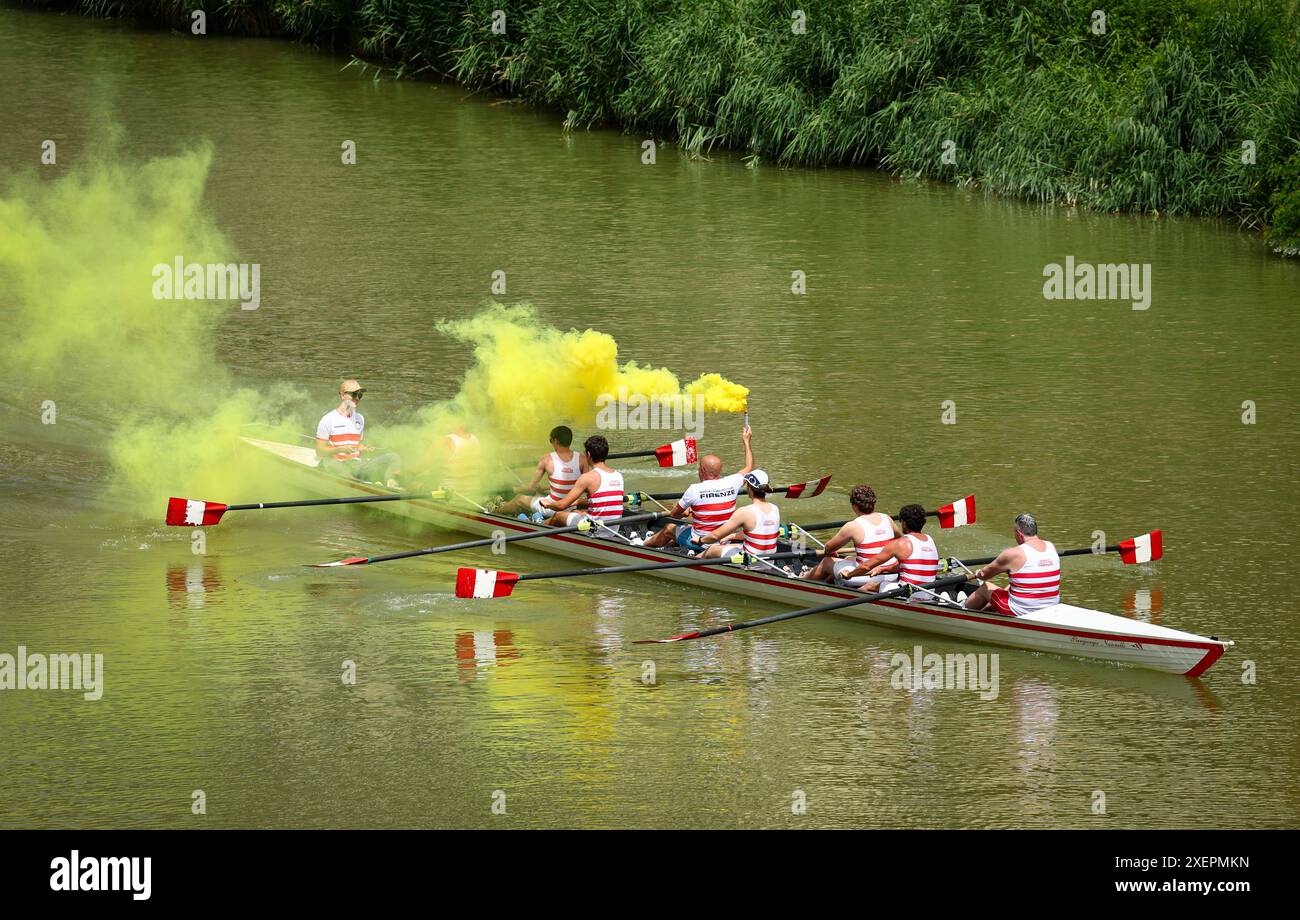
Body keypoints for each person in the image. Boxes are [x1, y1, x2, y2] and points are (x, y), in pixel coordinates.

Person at [644, 425, 754, 548]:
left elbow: (674, 515)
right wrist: (746, 441)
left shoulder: (694, 489)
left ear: (702, 469)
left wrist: (685, 512)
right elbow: (749, 467)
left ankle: (642, 546)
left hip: (701, 542)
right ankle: (668, 548)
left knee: (669, 528)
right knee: (688, 526)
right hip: (723, 540)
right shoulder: (732, 482)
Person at [963, 514, 1061, 616]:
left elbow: (984, 575)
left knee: (985, 587)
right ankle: (986, 612)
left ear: (1018, 533)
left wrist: (979, 573)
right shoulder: (1050, 546)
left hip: (1023, 610)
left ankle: (962, 612)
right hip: (1051, 606)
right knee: (1011, 586)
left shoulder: (1013, 554)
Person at [801, 484, 900, 584]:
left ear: (854, 506)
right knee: (848, 558)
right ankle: (830, 583)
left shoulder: (853, 526)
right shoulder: (887, 518)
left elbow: (828, 548)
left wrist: (830, 551)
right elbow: (899, 541)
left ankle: (800, 581)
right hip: (892, 573)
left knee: (826, 561)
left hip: (868, 576)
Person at [315, 379, 401, 486]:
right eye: (353, 394)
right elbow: (319, 451)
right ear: (342, 395)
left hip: (357, 465)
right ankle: (358, 485)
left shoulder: (360, 419)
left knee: (393, 457)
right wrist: (340, 449)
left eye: (359, 395)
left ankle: (391, 483)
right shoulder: (327, 419)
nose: (357, 398)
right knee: (329, 463)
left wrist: (364, 448)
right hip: (337, 464)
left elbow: (357, 446)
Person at [848, 504, 940, 600]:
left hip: (908, 594)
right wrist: (883, 569)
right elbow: (911, 566)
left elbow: (866, 566)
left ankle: (849, 601)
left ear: (904, 523)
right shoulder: (930, 540)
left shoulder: (900, 543)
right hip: (930, 593)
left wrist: (849, 575)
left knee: (870, 586)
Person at [495, 425, 589, 518]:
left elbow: (530, 488)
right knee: (540, 494)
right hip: (572, 506)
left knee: (519, 499)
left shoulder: (546, 459)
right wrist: (544, 488)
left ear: (555, 441)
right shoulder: (582, 459)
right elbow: (583, 486)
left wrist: (514, 489)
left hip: (552, 508)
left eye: (551, 441)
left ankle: (494, 513)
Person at [539, 434, 624, 532]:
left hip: (595, 530)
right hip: (613, 528)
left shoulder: (587, 478)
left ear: (588, 454)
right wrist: (578, 502)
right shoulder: (618, 475)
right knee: (577, 511)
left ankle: (536, 527)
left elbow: (561, 506)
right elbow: (602, 500)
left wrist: (548, 504)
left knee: (558, 516)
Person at [698, 470, 780, 559]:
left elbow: (715, 536)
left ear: (749, 487)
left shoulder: (744, 512)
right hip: (768, 562)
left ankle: (690, 565)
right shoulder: (775, 508)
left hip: (749, 563)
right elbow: (757, 532)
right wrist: (730, 537)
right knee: (736, 545)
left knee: (712, 549)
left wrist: (700, 540)